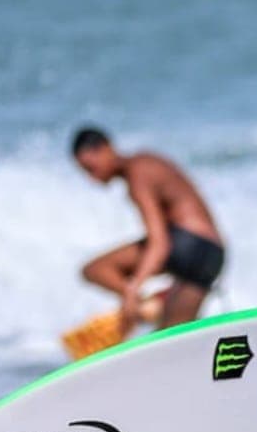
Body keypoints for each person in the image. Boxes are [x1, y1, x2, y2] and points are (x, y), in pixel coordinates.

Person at [71, 127, 226, 333]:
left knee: (94, 270)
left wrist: (132, 291)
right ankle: (153, 305)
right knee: (169, 338)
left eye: (91, 168)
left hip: (188, 243)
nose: (92, 178)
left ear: (106, 148)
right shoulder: (148, 163)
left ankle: (144, 305)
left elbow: (159, 243)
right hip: (211, 255)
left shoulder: (137, 171)